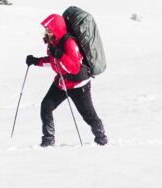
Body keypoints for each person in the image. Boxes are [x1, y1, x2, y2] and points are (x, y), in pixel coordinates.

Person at [26, 12, 108, 147]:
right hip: (62, 82)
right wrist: (36, 61)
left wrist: (60, 55)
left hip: (78, 84)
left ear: (56, 29)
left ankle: (101, 139)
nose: (46, 32)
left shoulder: (70, 43)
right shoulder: (53, 42)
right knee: (46, 106)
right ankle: (48, 140)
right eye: (46, 29)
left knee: (88, 115)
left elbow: (74, 68)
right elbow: (53, 61)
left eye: (49, 29)